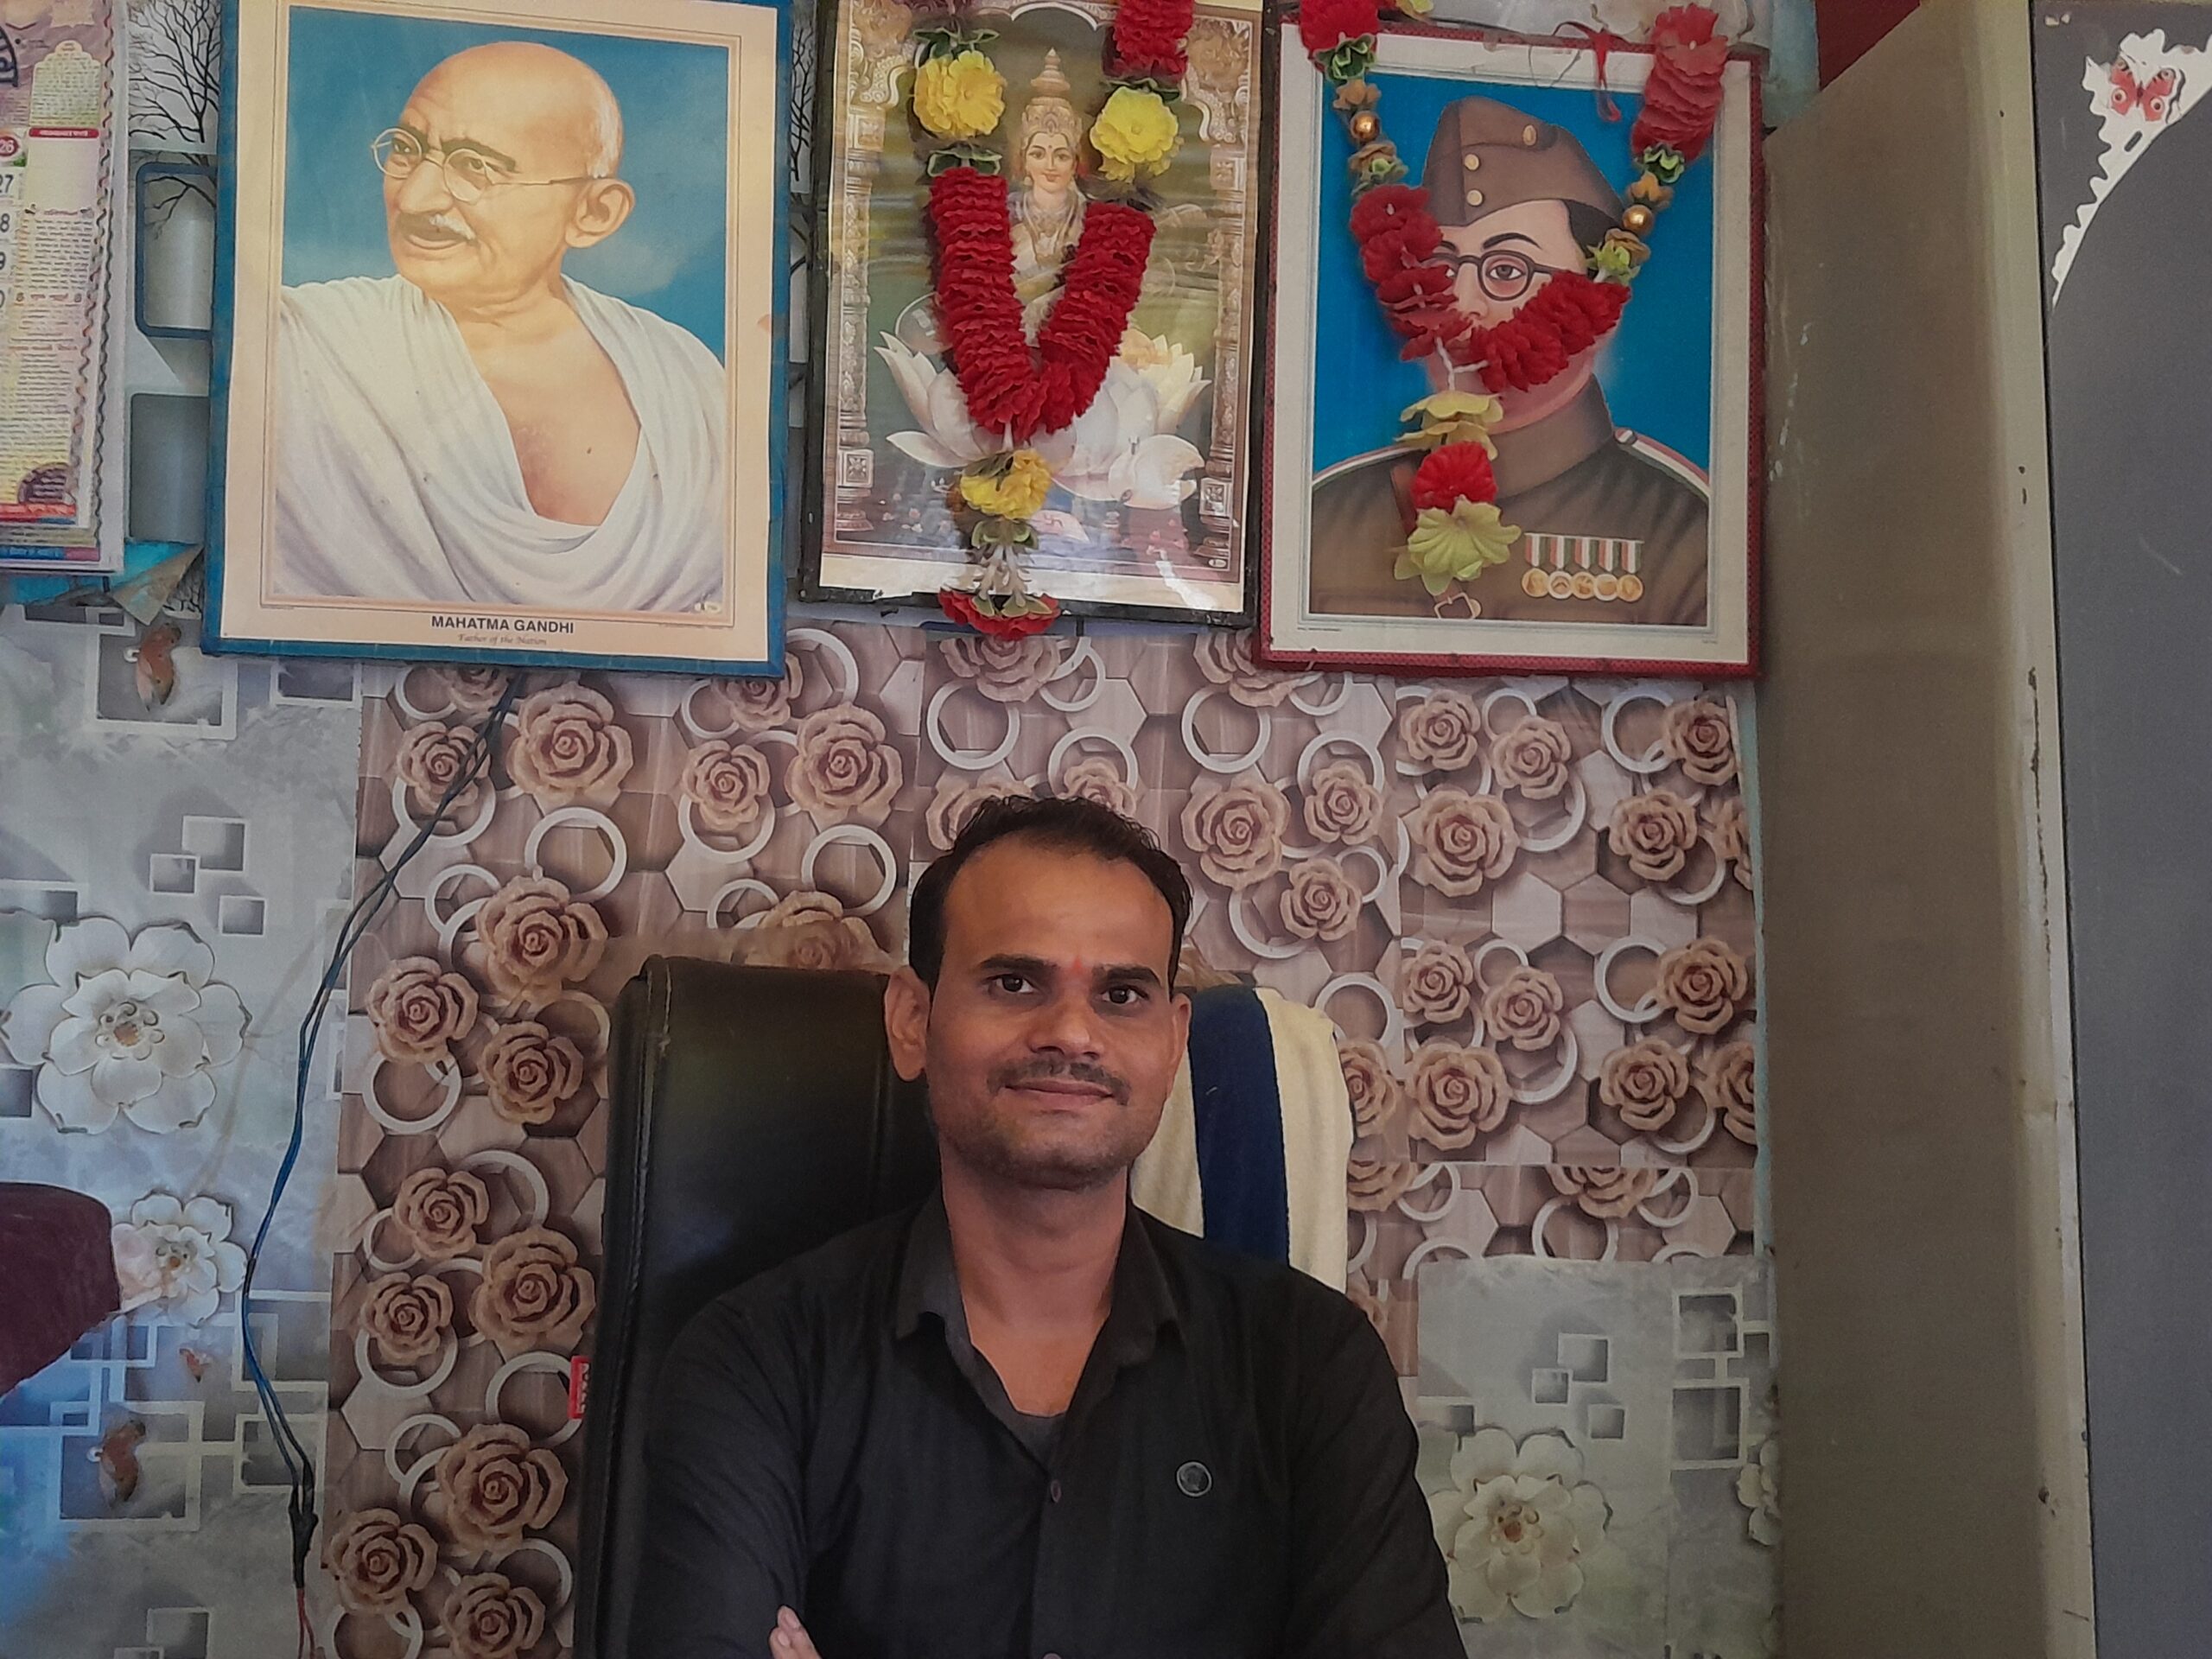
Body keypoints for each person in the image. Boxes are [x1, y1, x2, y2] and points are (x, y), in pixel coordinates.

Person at [633, 797, 1460, 1659]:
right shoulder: (757, 1362)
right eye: (1014, 983)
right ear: (912, 1021)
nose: (1071, 1033)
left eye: (1122, 994)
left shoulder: (1310, 1362)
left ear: (1171, 1043)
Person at [270, 41, 727, 612]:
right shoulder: (303, 343)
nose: (414, 197)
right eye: (407, 150)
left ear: (594, 213)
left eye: (475, 167)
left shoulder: (685, 382)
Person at [1309, 96, 1712, 626]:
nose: (1462, 305)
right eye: (1442, 269)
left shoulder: (1682, 528)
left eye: (1507, 270)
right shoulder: (1328, 514)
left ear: (1600, 306)